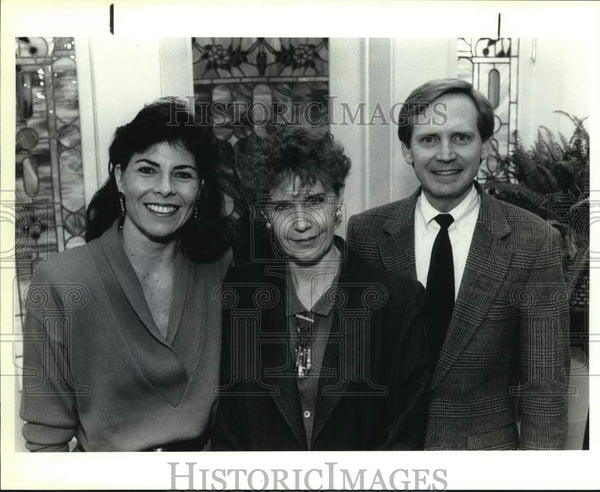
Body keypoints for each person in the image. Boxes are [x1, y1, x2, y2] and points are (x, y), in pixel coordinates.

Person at [347, 78, 570, 450]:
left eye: (461, 138)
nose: (445, 154)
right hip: (385, 461)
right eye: (429, 139)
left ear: (484, 145)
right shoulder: (367, 233)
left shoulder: (534, 241)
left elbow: (544, 389)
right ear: (407, 150)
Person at [20, 98, 232, 451]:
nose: (165, 188)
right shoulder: (62, 282)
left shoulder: (222, 268)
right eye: (147, 170)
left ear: (200, 189)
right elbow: (46, 442)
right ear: (120, 178)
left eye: (183, 174)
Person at [211, 126, 431, 451]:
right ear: (266, 215)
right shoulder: (242, 294)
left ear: (338, 201)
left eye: (314, 201)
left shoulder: (397, 301)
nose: (301, 223)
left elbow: (405, 433)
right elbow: (231, 426)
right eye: (283, 207)